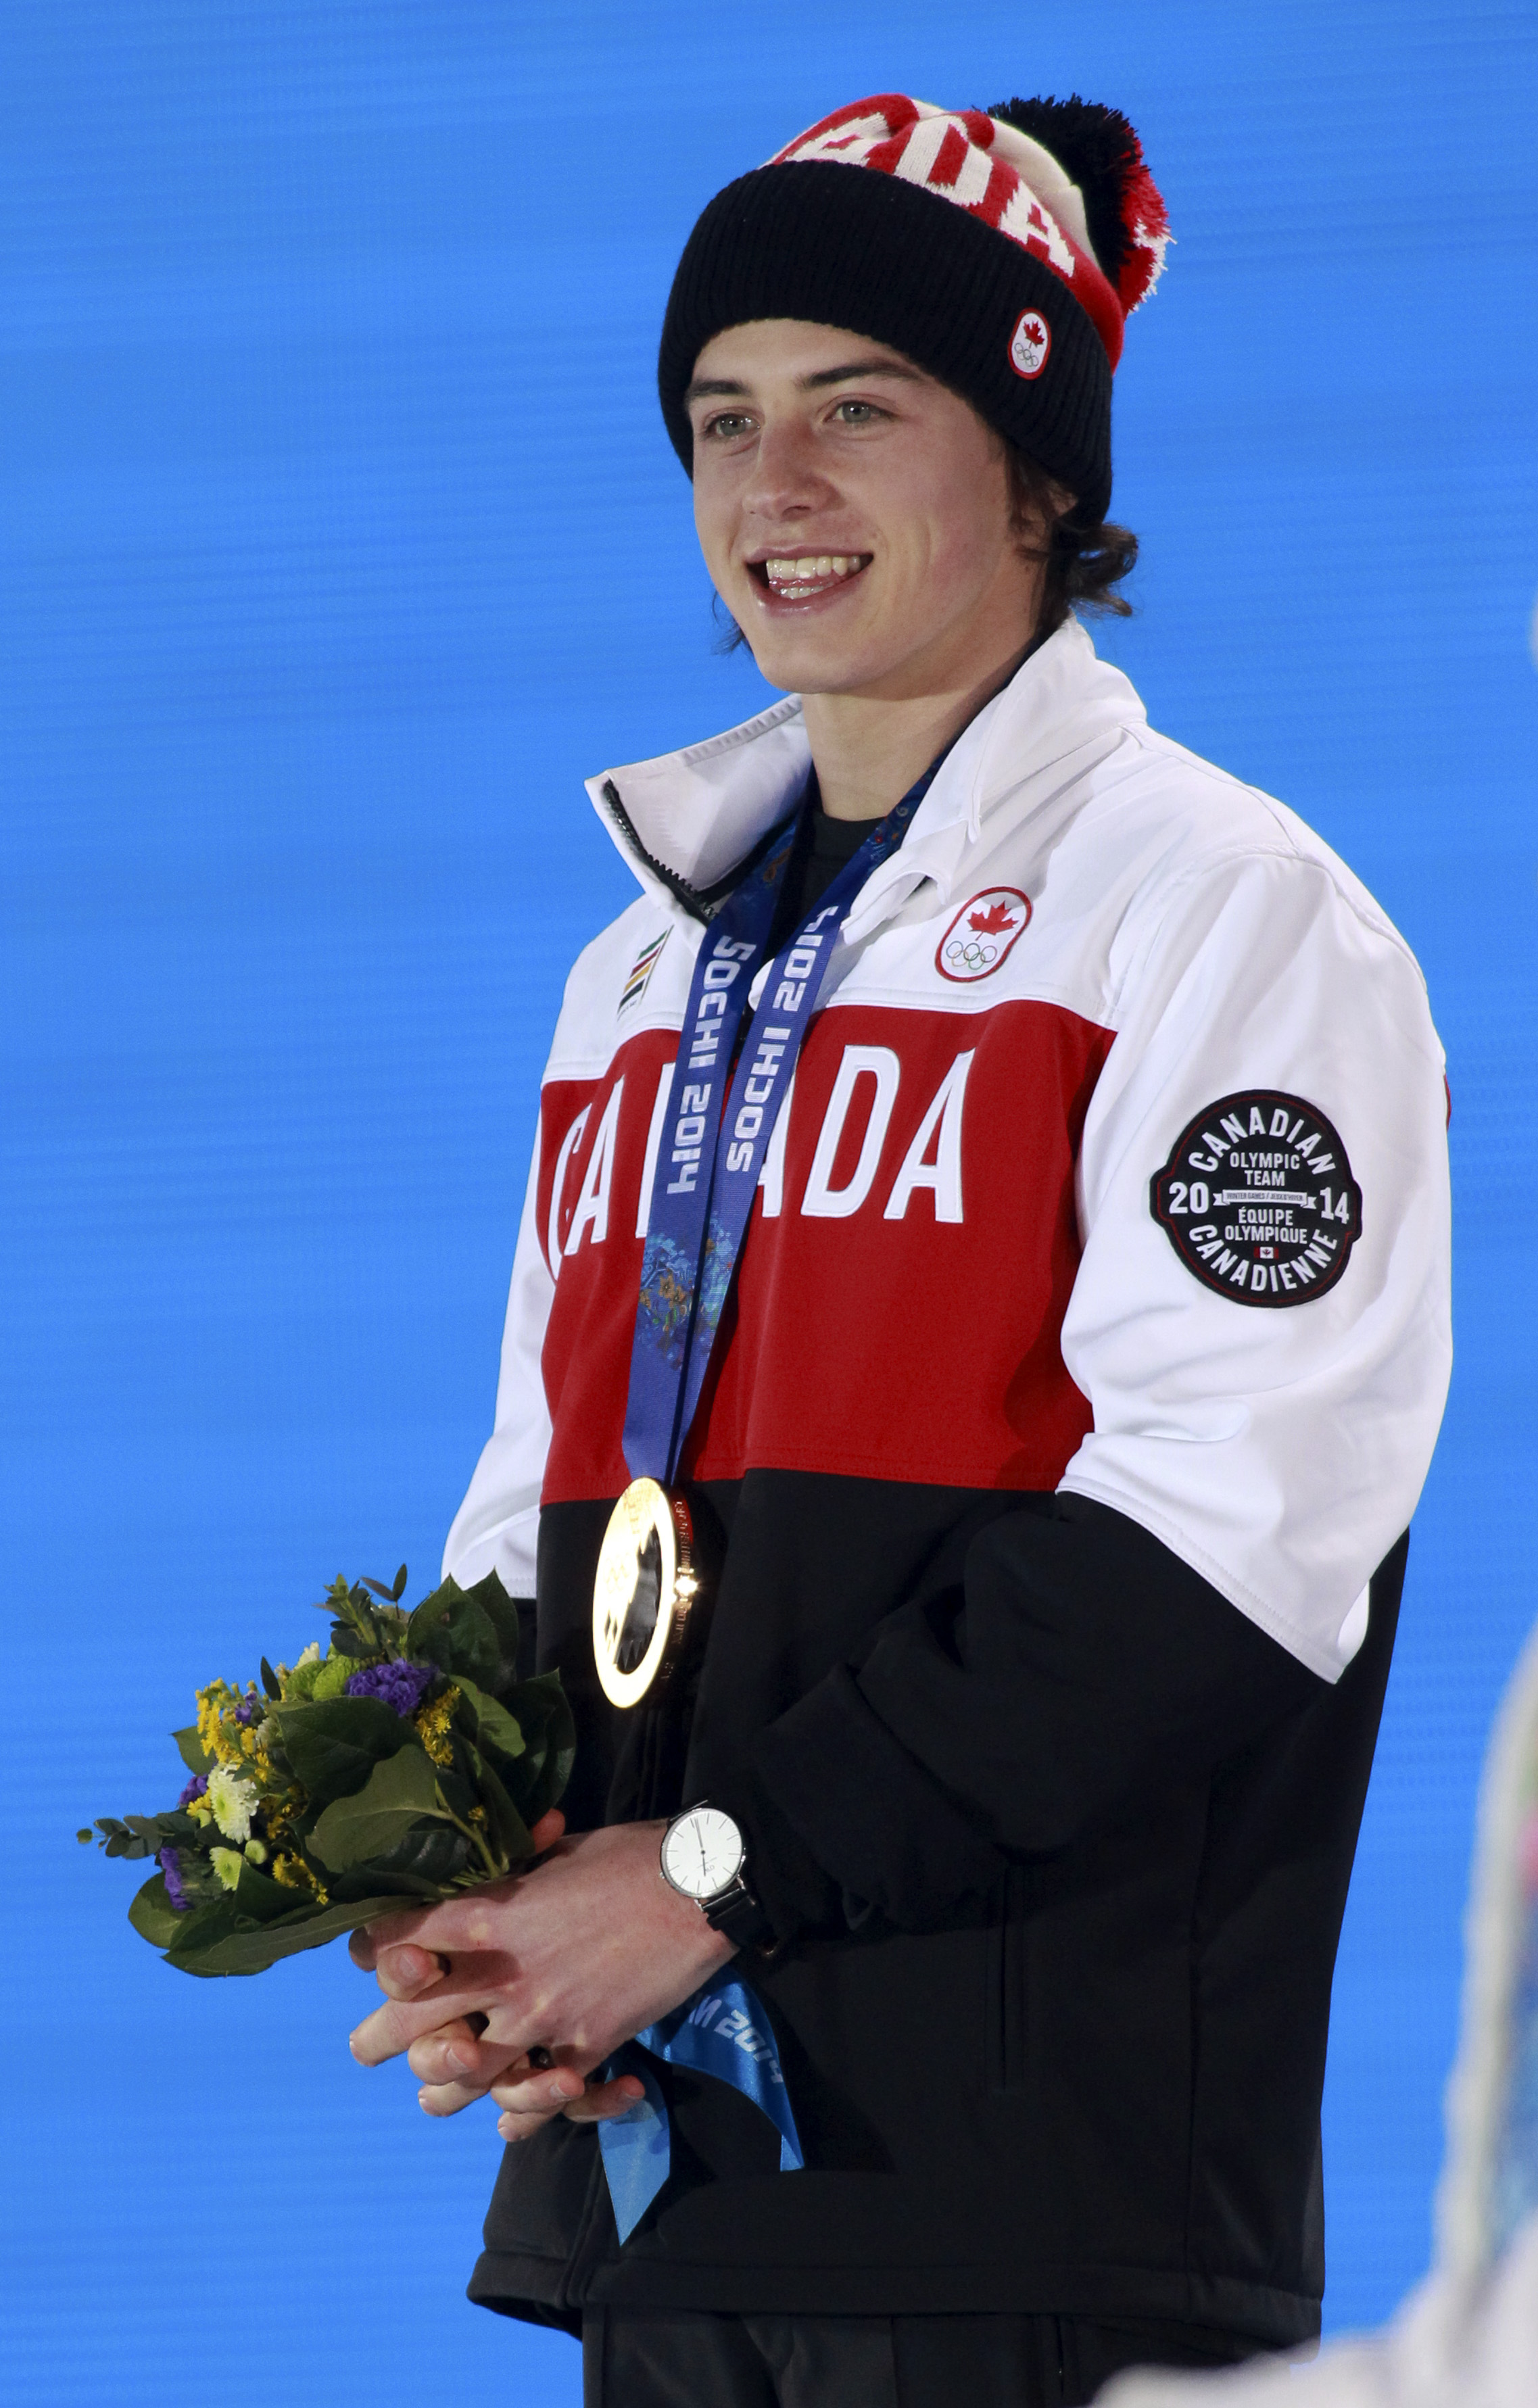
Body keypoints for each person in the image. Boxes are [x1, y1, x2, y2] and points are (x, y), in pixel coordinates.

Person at [345, 91, 1453, 2408]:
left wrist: (703, 1877)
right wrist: (485, 1896)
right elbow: (533, 1509)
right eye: (722, 418)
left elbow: (1227, 1543)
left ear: (1038, 470)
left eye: (858, 407)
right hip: (662, 2188)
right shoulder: (637, 978)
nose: (775, 483)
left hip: (1027, 2215)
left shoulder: (1224, 914)